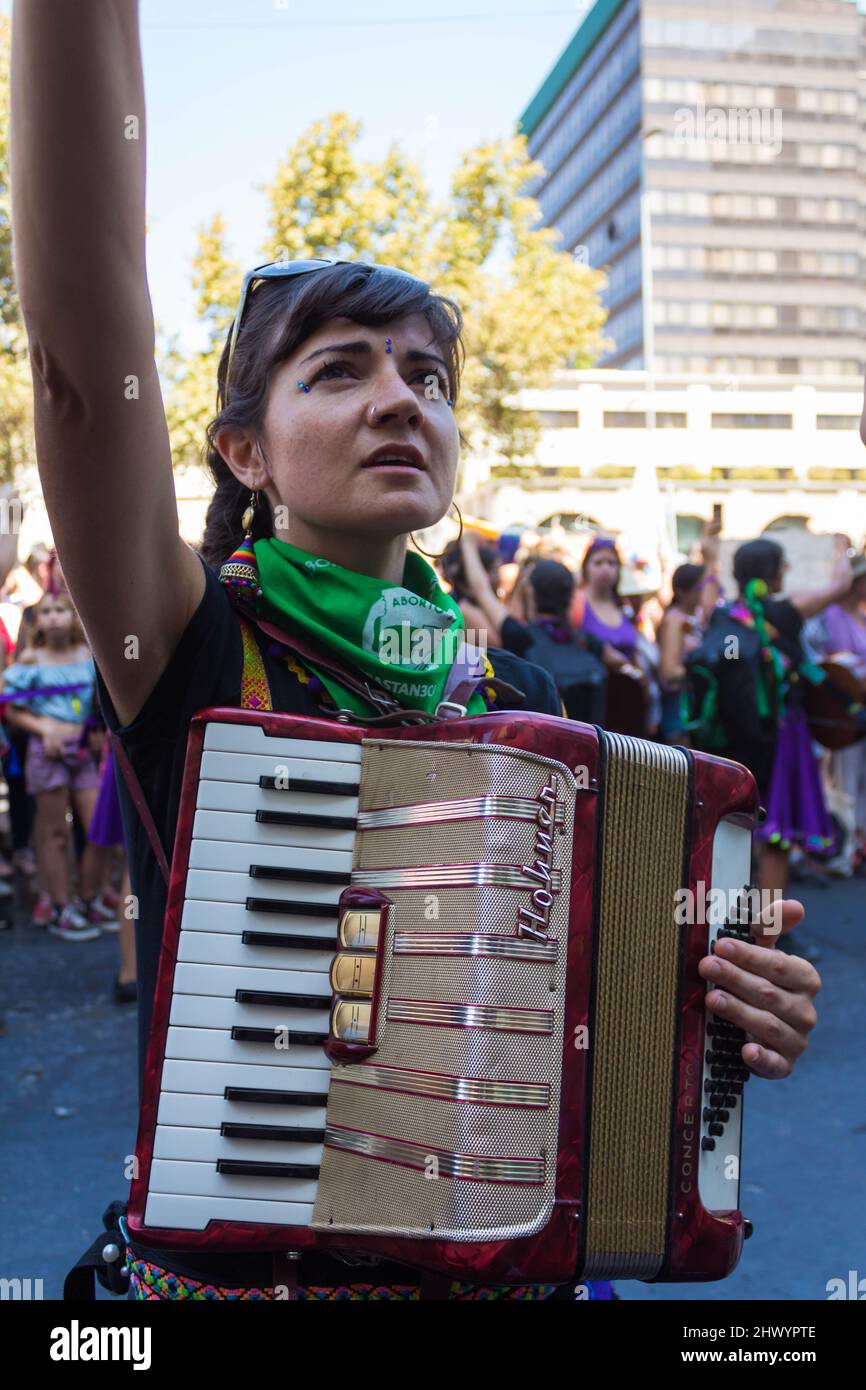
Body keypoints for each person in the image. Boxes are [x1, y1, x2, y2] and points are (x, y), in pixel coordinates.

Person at [13, 0, 819, 1302]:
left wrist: (736, 1000)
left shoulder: (526, 702)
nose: (401, 396)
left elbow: (608, 1018)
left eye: (427, 375)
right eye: (338, 371)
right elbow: (77, 359)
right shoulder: (191, 642)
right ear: (244, 452)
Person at [0, 590, 103, 939]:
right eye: (47, 611)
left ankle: (88, 897)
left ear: (74, 616)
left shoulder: (88, 655)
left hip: (82, 752)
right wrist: (45, 728)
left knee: (96, 830)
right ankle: (62, 907)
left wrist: (90, 730)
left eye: (62, 609)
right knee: (55, 833)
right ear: (38, 622)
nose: (55, 616)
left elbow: (92, 705)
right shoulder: (30, 660)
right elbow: (12, 710)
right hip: (46, 755)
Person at [458, 532, 612, 723]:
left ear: (530, 593)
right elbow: (624, 665)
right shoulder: (588, 642)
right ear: (571, 596)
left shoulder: (519, 636)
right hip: (590, 745)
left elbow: (481, 589)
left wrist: (468, 543)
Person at [808, 556, 866, 874]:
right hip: (844, 710)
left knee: (859, 780)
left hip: (861, 709)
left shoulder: (860, 614)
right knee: (844, 780)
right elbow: (825, 664)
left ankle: (859, 841)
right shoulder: (831, 616)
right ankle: (845, 847)